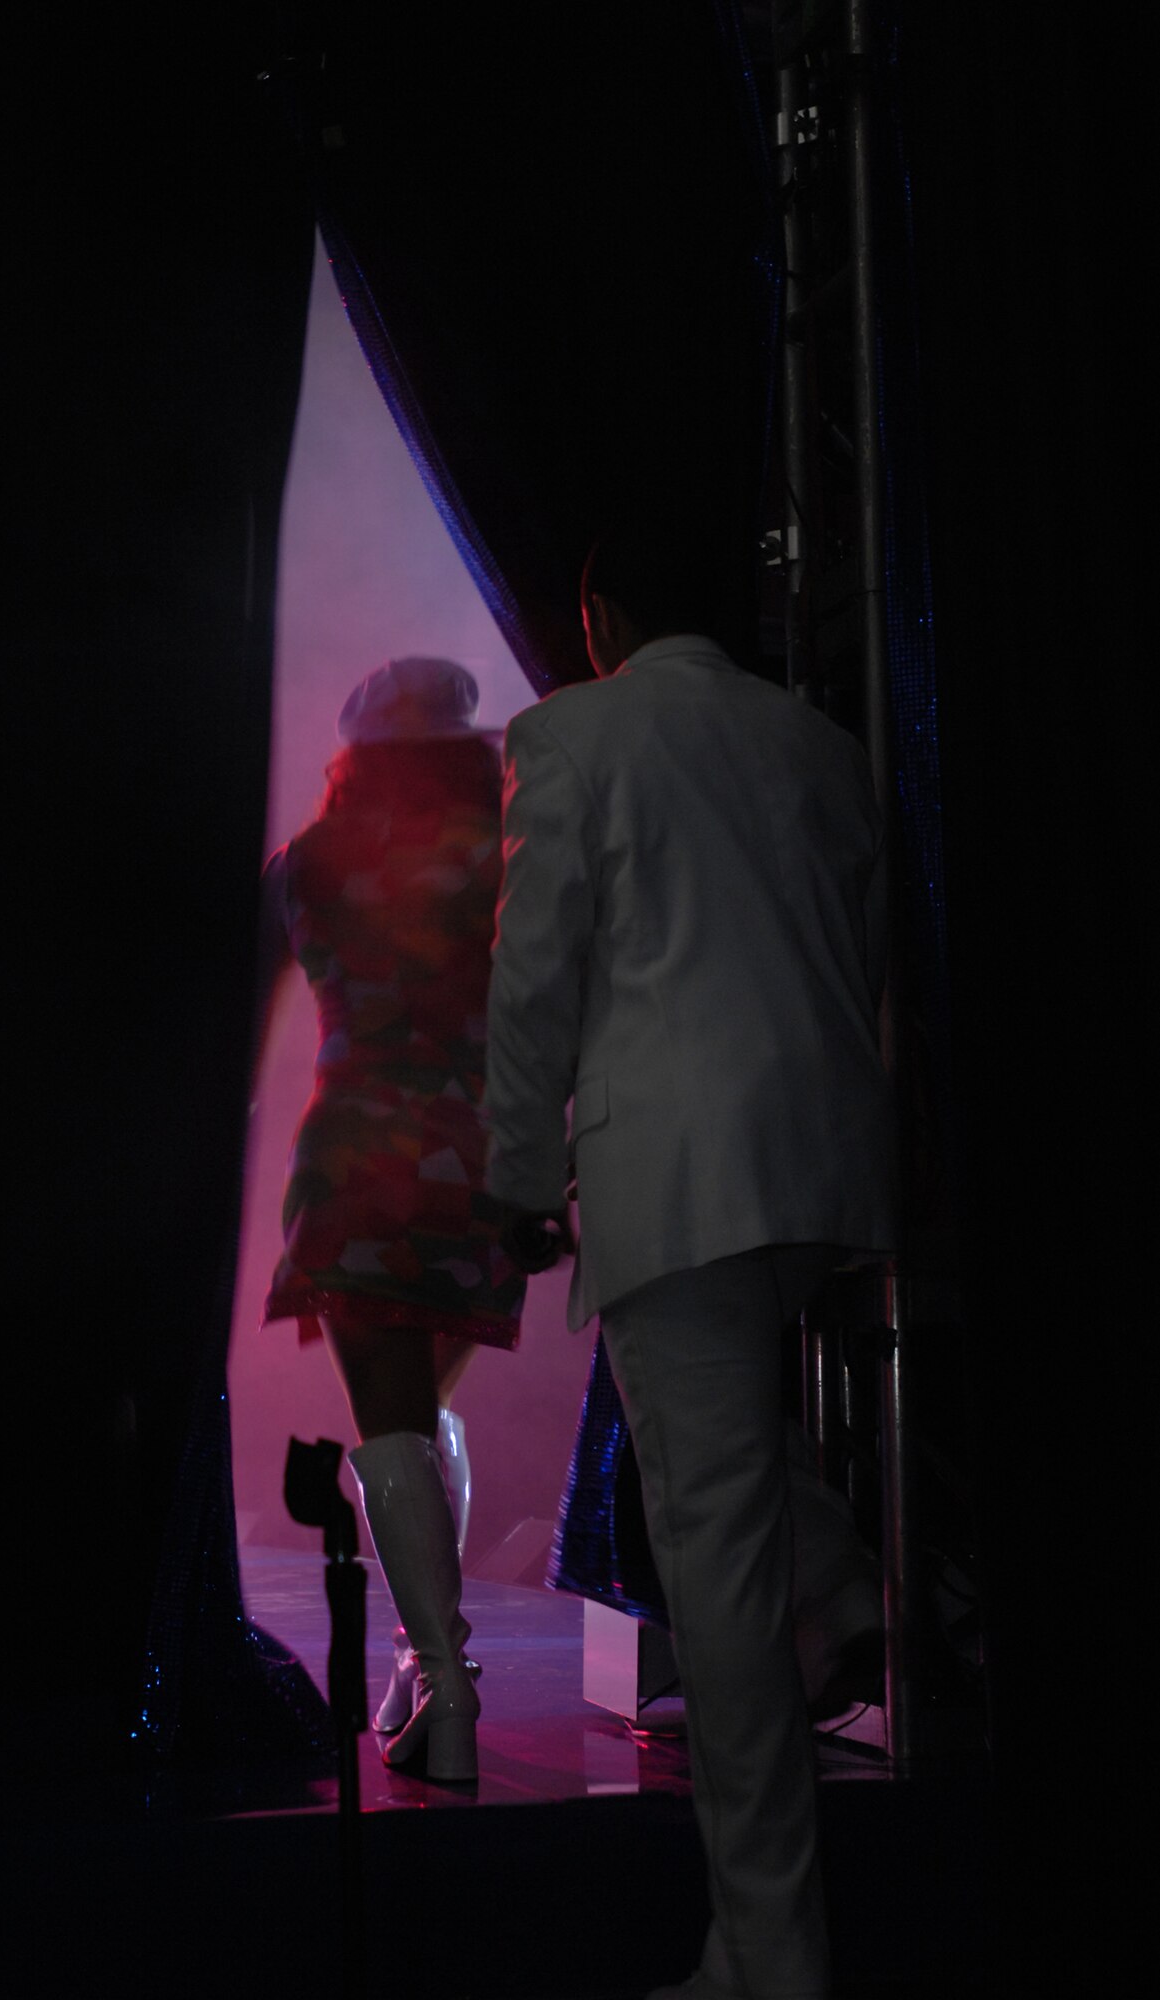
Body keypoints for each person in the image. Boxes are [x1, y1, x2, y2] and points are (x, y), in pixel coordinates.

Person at [486, 522, 894, 1999]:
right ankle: (847, 1588)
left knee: (714, 1573)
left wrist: (519, 1174)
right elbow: (856, 947)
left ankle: (770, 1960)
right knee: (724, 1445)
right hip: (822, 1156)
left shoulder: (573, 733)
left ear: (597, 611)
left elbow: (536, 975)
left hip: (678, 1165)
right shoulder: (822, 746)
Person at [259, 656, 526, 1783]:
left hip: (360, 1160)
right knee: (422, 1415)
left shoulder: (304, 865)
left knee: (392, 1422)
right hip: (477, 1160)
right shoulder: (502, 863)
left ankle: (442, 1679)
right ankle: (431, 1681)